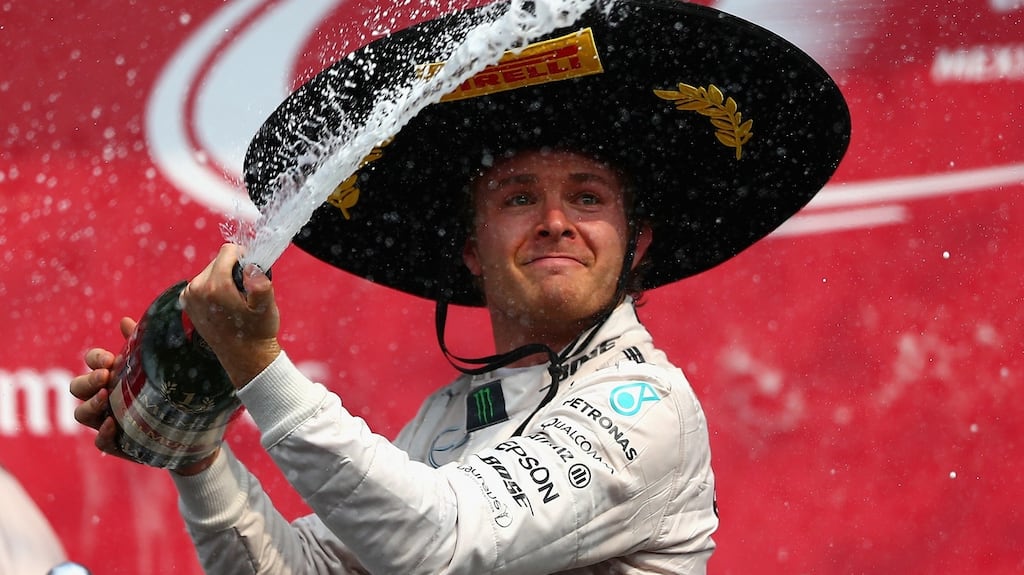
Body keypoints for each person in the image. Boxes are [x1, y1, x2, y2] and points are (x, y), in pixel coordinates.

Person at [71, 0, 850, 573]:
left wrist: (259, 366)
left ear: (636, 243)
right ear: (473, 251)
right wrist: (196, 448)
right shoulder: (451, 415)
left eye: (587, 197)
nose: (554, 221)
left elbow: (439, 545)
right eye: (518, 198)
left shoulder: (648, 406)